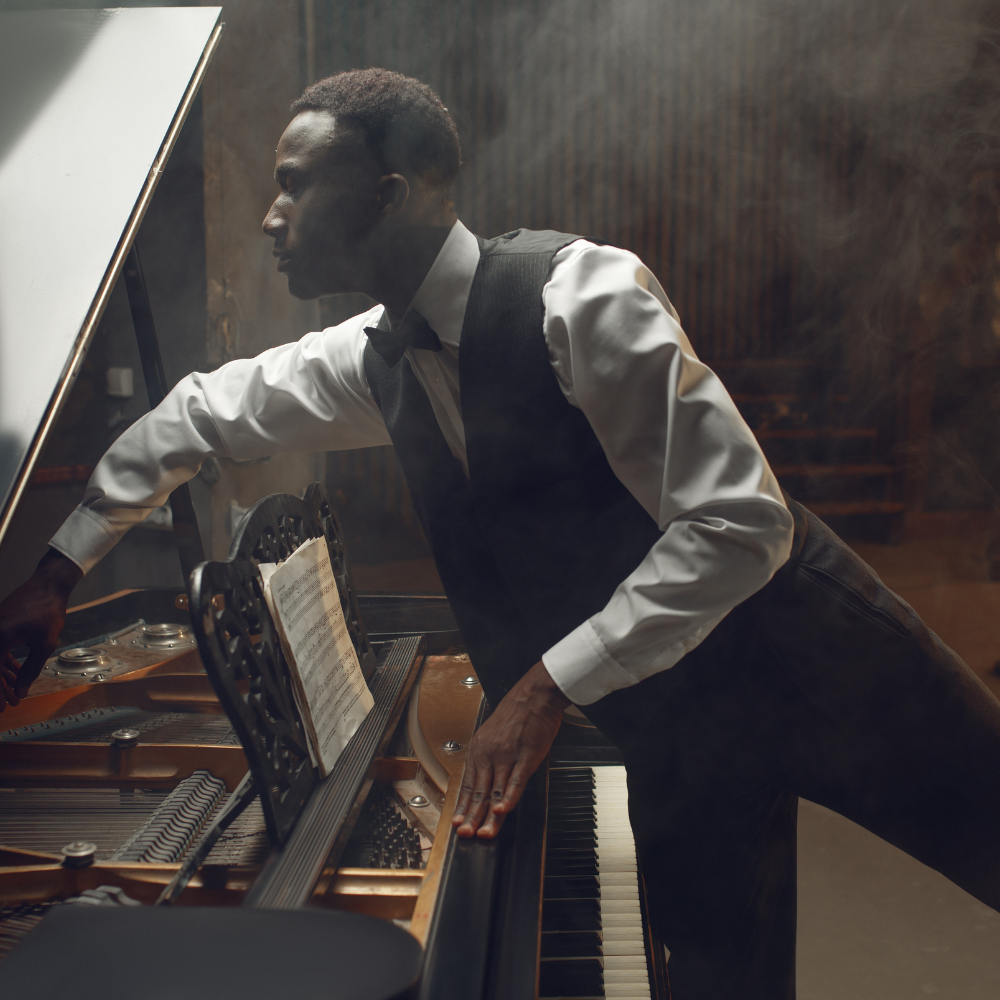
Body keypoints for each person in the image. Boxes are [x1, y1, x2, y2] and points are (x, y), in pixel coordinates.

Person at [2, 68, 1000, 999]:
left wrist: (545, 685)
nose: (273, 216)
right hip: (683, 733)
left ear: (388, 195)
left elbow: (741, 526)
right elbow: (200, 414)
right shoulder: (373, 357)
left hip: (820, 664)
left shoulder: (585, 297)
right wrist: (55, 568)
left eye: (296, 185)